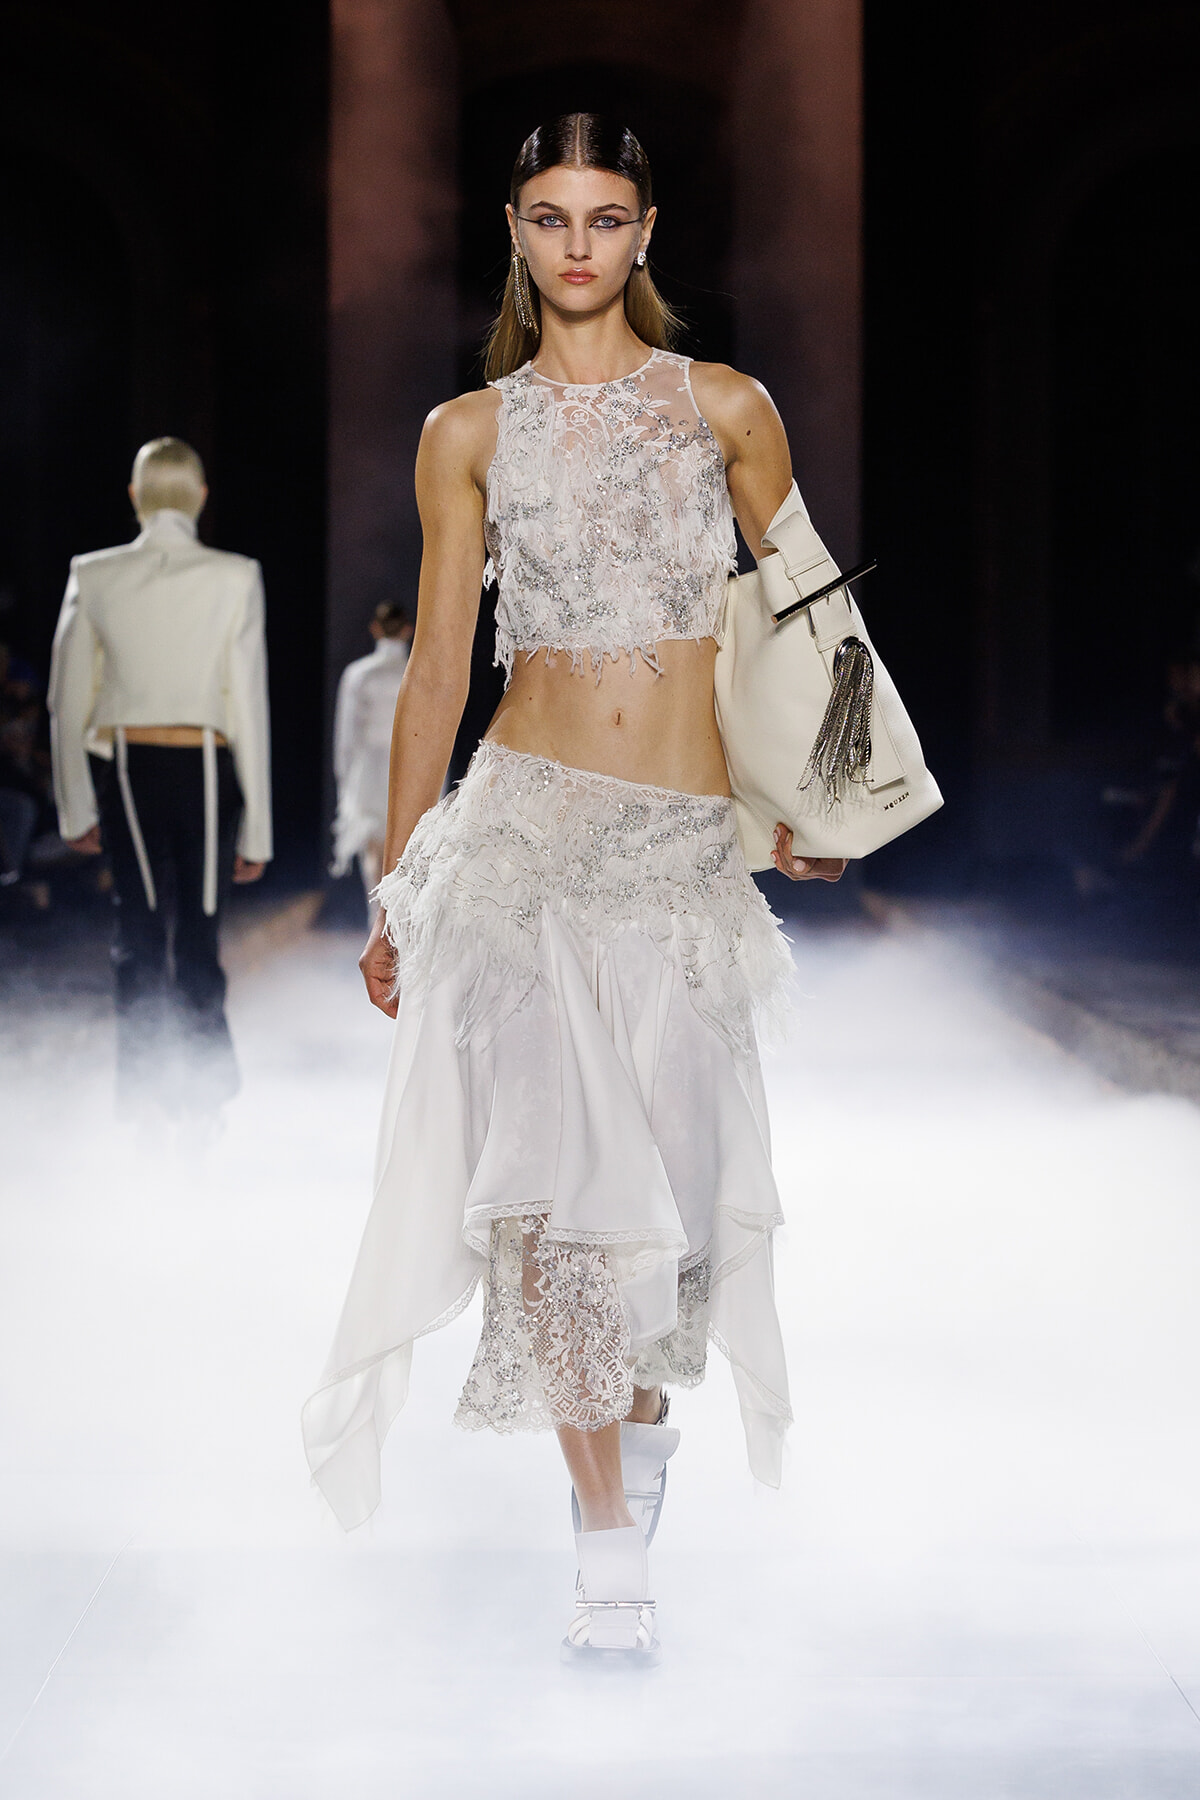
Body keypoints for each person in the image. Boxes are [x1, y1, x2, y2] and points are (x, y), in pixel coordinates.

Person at [302, 115, 845, 1660]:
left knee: (659, 1225)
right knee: (546, 1213)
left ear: (648, 232)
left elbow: (812, 629)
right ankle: (608, 1552)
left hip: (675, 858)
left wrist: (817, 805)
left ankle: (633, 1442)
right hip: (520, 845)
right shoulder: (467, 432)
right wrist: (398, 888)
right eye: (552, 218)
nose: (581, 245)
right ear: (518, 235)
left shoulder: (728, 411)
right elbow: (432, 682)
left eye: (607, 216)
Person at [48, 437, 272, 1118]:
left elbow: (67, 701)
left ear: (135, 497)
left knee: (139, 936)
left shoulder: (94, 573)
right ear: (201, 497)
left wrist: (74, 809)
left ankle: (145, 1104)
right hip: (205, 767)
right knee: (198, 937)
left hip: (128, 772)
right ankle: (203, 1103)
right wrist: (257, 832)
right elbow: (249, 704)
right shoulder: (237, 575)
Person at [330, 603, 413, 896]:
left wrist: (344, 778)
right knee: (408, 847)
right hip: (410, 766)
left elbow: (346, 734)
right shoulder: (417, 674)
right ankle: (395, 928)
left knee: (374, 850)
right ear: (407, 629)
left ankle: (375, 922)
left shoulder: (359, 673)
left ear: (375, 629)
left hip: (370, 768)